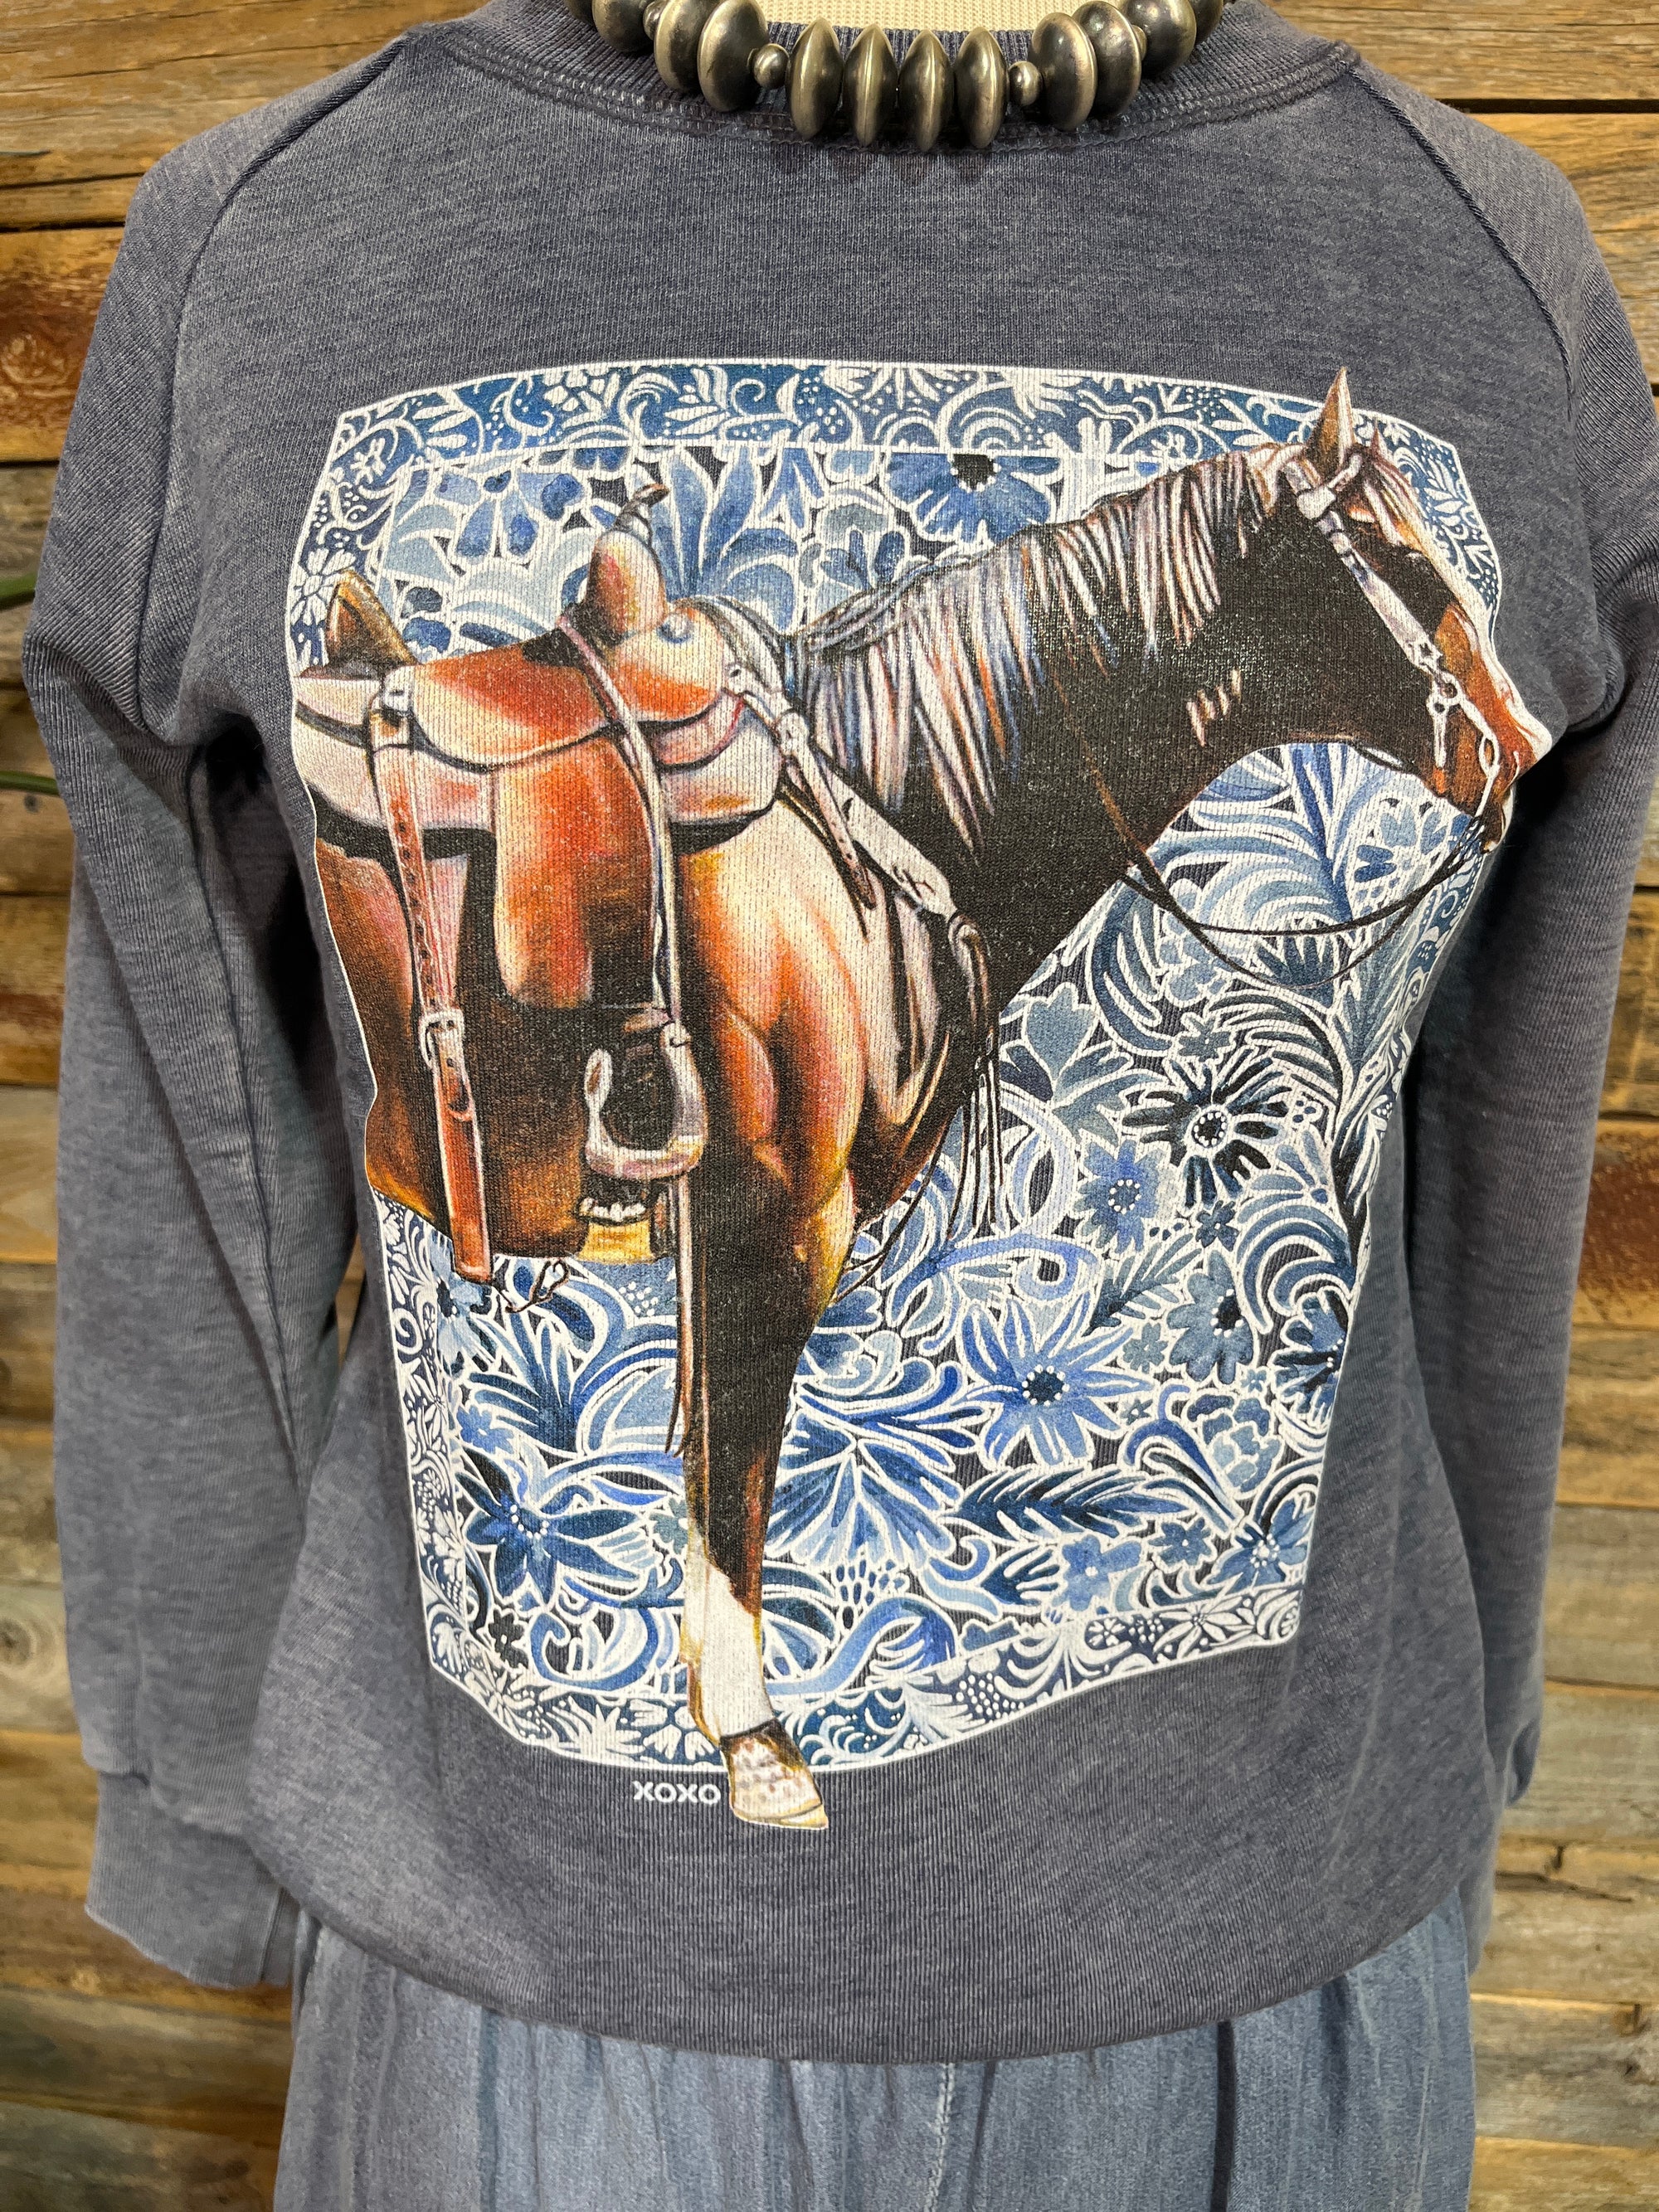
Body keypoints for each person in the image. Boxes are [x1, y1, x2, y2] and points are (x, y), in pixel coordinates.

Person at [25, 2, 1659, 2204]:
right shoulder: (280, 252)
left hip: (1273, 2003)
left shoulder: (1483, 275)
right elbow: (197, 1143)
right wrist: (199, 1794)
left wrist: (1462, 1756)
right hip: (515, 2010)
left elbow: (1496, 1166)